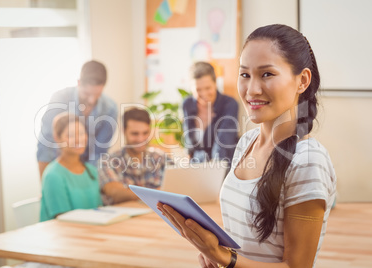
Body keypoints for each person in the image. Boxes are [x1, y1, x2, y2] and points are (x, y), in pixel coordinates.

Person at [158, 24, 337, 268]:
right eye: (245, 75)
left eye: (267, 74)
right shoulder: (246, 143)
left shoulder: (308, 160)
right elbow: (248, 243)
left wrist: (225, 257)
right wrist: (215, 252)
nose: (252, 90)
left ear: (302, 81)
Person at [37, 60, 117, 177]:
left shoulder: (110, 108)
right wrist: (46, 181)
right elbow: (46, 144)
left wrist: (84, 181)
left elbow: (99, 153)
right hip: (58, 167)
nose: (91, 101)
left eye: (97, 95)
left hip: (87, 170)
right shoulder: (59, 99)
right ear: (79, 83)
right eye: (87, 94)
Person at [98, 108, 170, 205]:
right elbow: (116, 194)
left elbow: (179, 184)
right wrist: (158, 192)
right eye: (135, 134)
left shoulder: (160, 158)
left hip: (155, 216)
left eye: (145, 133)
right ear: (124, 131)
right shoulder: (108, 161)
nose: (141, 139)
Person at [40, 112, 102, 221]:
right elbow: (63, 219)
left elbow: (99, 210)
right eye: (71, 135)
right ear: (57, 138)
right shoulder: (53, 175)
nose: (78, 140)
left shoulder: (91, 171)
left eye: (82, 133)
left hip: (91, 231)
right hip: (62, 234)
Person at [182, 61, 239, 164]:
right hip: (197, 165)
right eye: (198, 89)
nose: (204, 94)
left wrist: (214, 169)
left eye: (208, 88)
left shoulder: (229, 104)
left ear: (215, 83)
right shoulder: (187, 104)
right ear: (191, 88)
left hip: (223, 164)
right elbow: (189, 141)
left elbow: (224, 141)